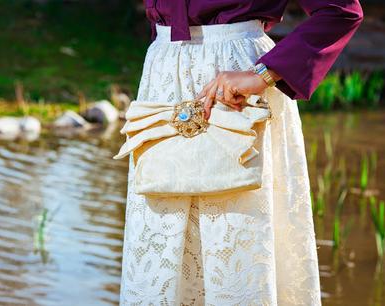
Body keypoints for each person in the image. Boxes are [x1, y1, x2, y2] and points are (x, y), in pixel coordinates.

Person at [119, 0, 364, 305]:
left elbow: (340, 11)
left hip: (240, 82)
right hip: (163, 79)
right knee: (161, 258)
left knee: (237, 252)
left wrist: (263, 74)